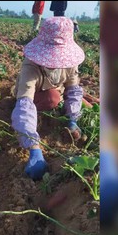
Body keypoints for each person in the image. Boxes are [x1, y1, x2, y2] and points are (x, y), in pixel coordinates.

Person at [11, 17, 85, 181]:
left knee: (76, 98)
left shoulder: (70, 64)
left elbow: (73, 91)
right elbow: (25, 105)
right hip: (33, 96)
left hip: (54, 90)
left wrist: (72, 119)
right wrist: (33, 147)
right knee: (52, 98)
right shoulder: (30, 68)